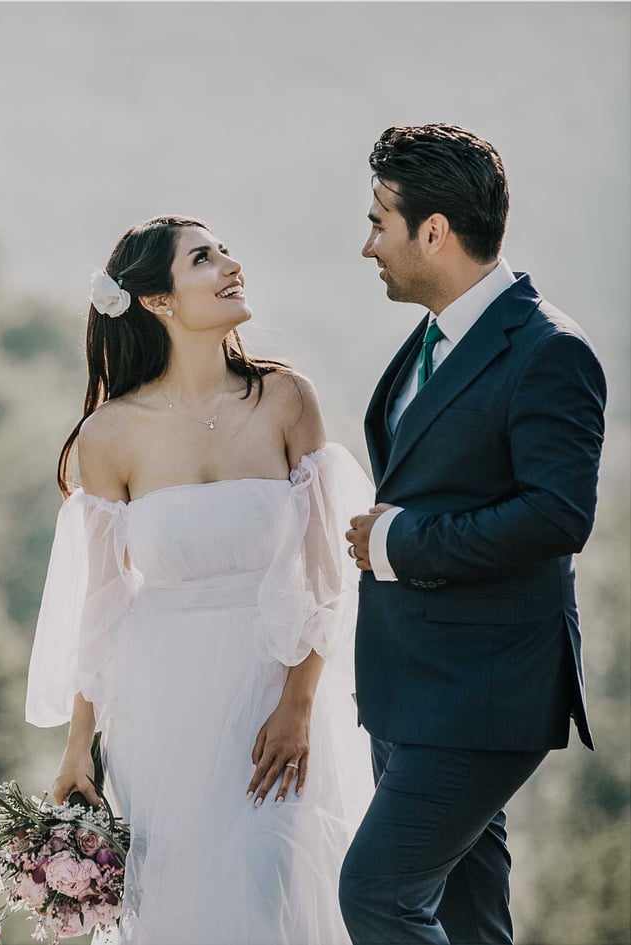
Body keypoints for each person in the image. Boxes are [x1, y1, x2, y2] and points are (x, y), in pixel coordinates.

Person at [25, 214, 375, 944]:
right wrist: (77, 745)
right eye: (204, 258)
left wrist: (299, 703)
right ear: (157, 300)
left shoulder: (284, 398)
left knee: (266, 879)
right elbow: (102, 604)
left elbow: (327, 570)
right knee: (183, 905)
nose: (230, 265)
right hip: (161, 704)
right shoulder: (109, 433)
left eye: (225, 251)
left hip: (272, 689)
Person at [339, 124, 607, 945]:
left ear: (432, 231)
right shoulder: (427, 338)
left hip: (483, 692)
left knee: (377, 895)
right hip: (407, 686)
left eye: (379, 222)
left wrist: (399, 542)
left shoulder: (548, 352)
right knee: (466, 915)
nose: (366, 246)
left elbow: (557, 515)